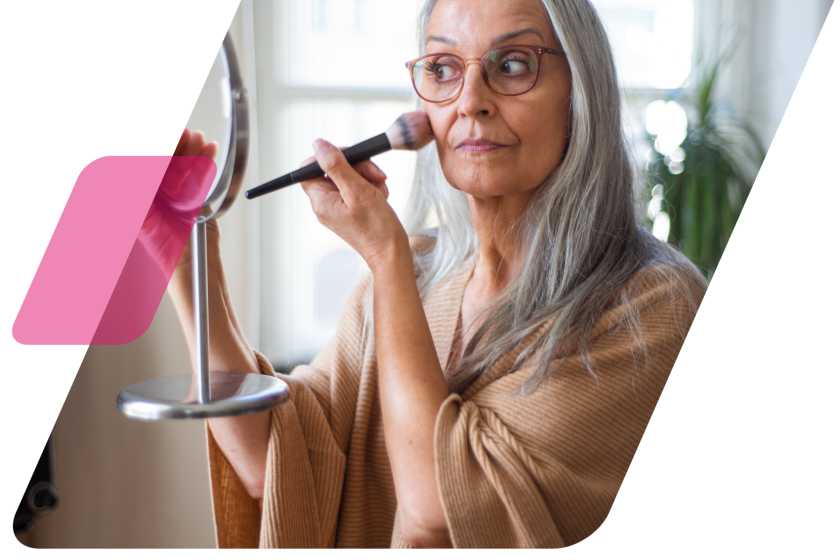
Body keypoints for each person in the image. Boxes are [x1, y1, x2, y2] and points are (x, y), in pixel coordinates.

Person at [169, 0, 707, 549]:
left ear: (581, 90)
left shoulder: (653, 308)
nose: (471, 102)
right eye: (444, 69)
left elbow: (439, 512)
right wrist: (188, 257)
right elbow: (272, 459)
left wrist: (385, 257)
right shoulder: (418, 271)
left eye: (514, 64)